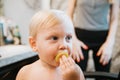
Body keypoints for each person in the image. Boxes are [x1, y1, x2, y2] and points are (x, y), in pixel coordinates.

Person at [16, 10, 85, 80]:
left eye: (68, 38)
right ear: (34, 44)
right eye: (54, 38)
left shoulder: (76, 72)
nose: (64, 45)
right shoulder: (26, 73)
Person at [67, 0, 119, 76]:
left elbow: (114, 19)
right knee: (77, 75)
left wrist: (109, 43)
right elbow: (69, 14)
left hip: (103, 40)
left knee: (104, 76)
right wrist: (73, 40)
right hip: (79, 40)